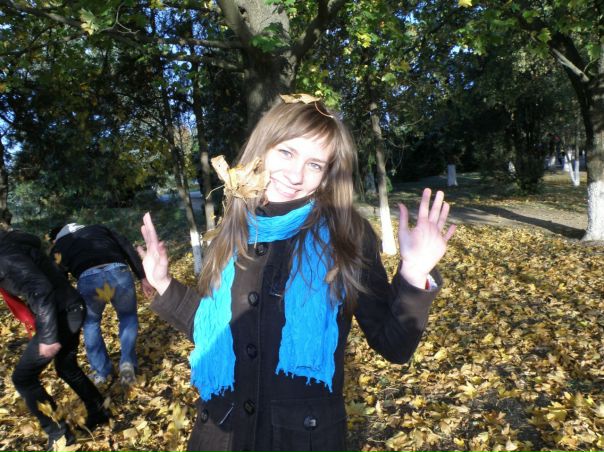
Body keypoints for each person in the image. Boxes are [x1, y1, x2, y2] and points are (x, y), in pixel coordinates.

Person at [138, 99, 455, 452]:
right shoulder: (233, 229)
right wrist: (163, 283)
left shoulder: (347, 236)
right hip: (219, 436)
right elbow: (214, 328)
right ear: (262, 149)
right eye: (287, 153)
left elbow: (393, 345)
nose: (295, 175)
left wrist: (414, 274)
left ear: (327, 174)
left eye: (314, 164)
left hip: (302, 440)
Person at [0, 228, 109, 451]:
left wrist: (49, 336)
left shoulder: (5, 255)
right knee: (66, 366)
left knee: (23, 378)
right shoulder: (11, 246)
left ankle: (59, 433)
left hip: (62, 313)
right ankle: (99, 410)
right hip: (69, 308)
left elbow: (40, 288)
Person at [49, 223, 154, 386]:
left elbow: (56, 275)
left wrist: (66, 300)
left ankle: (101, 372)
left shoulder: (60, 245)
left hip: (89, 280)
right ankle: (127, 364)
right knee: (127, 317)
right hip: (118, 273)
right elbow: (126, 247)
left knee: (91, 324)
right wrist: (142, 277)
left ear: (56, 239)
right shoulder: (100, 229)